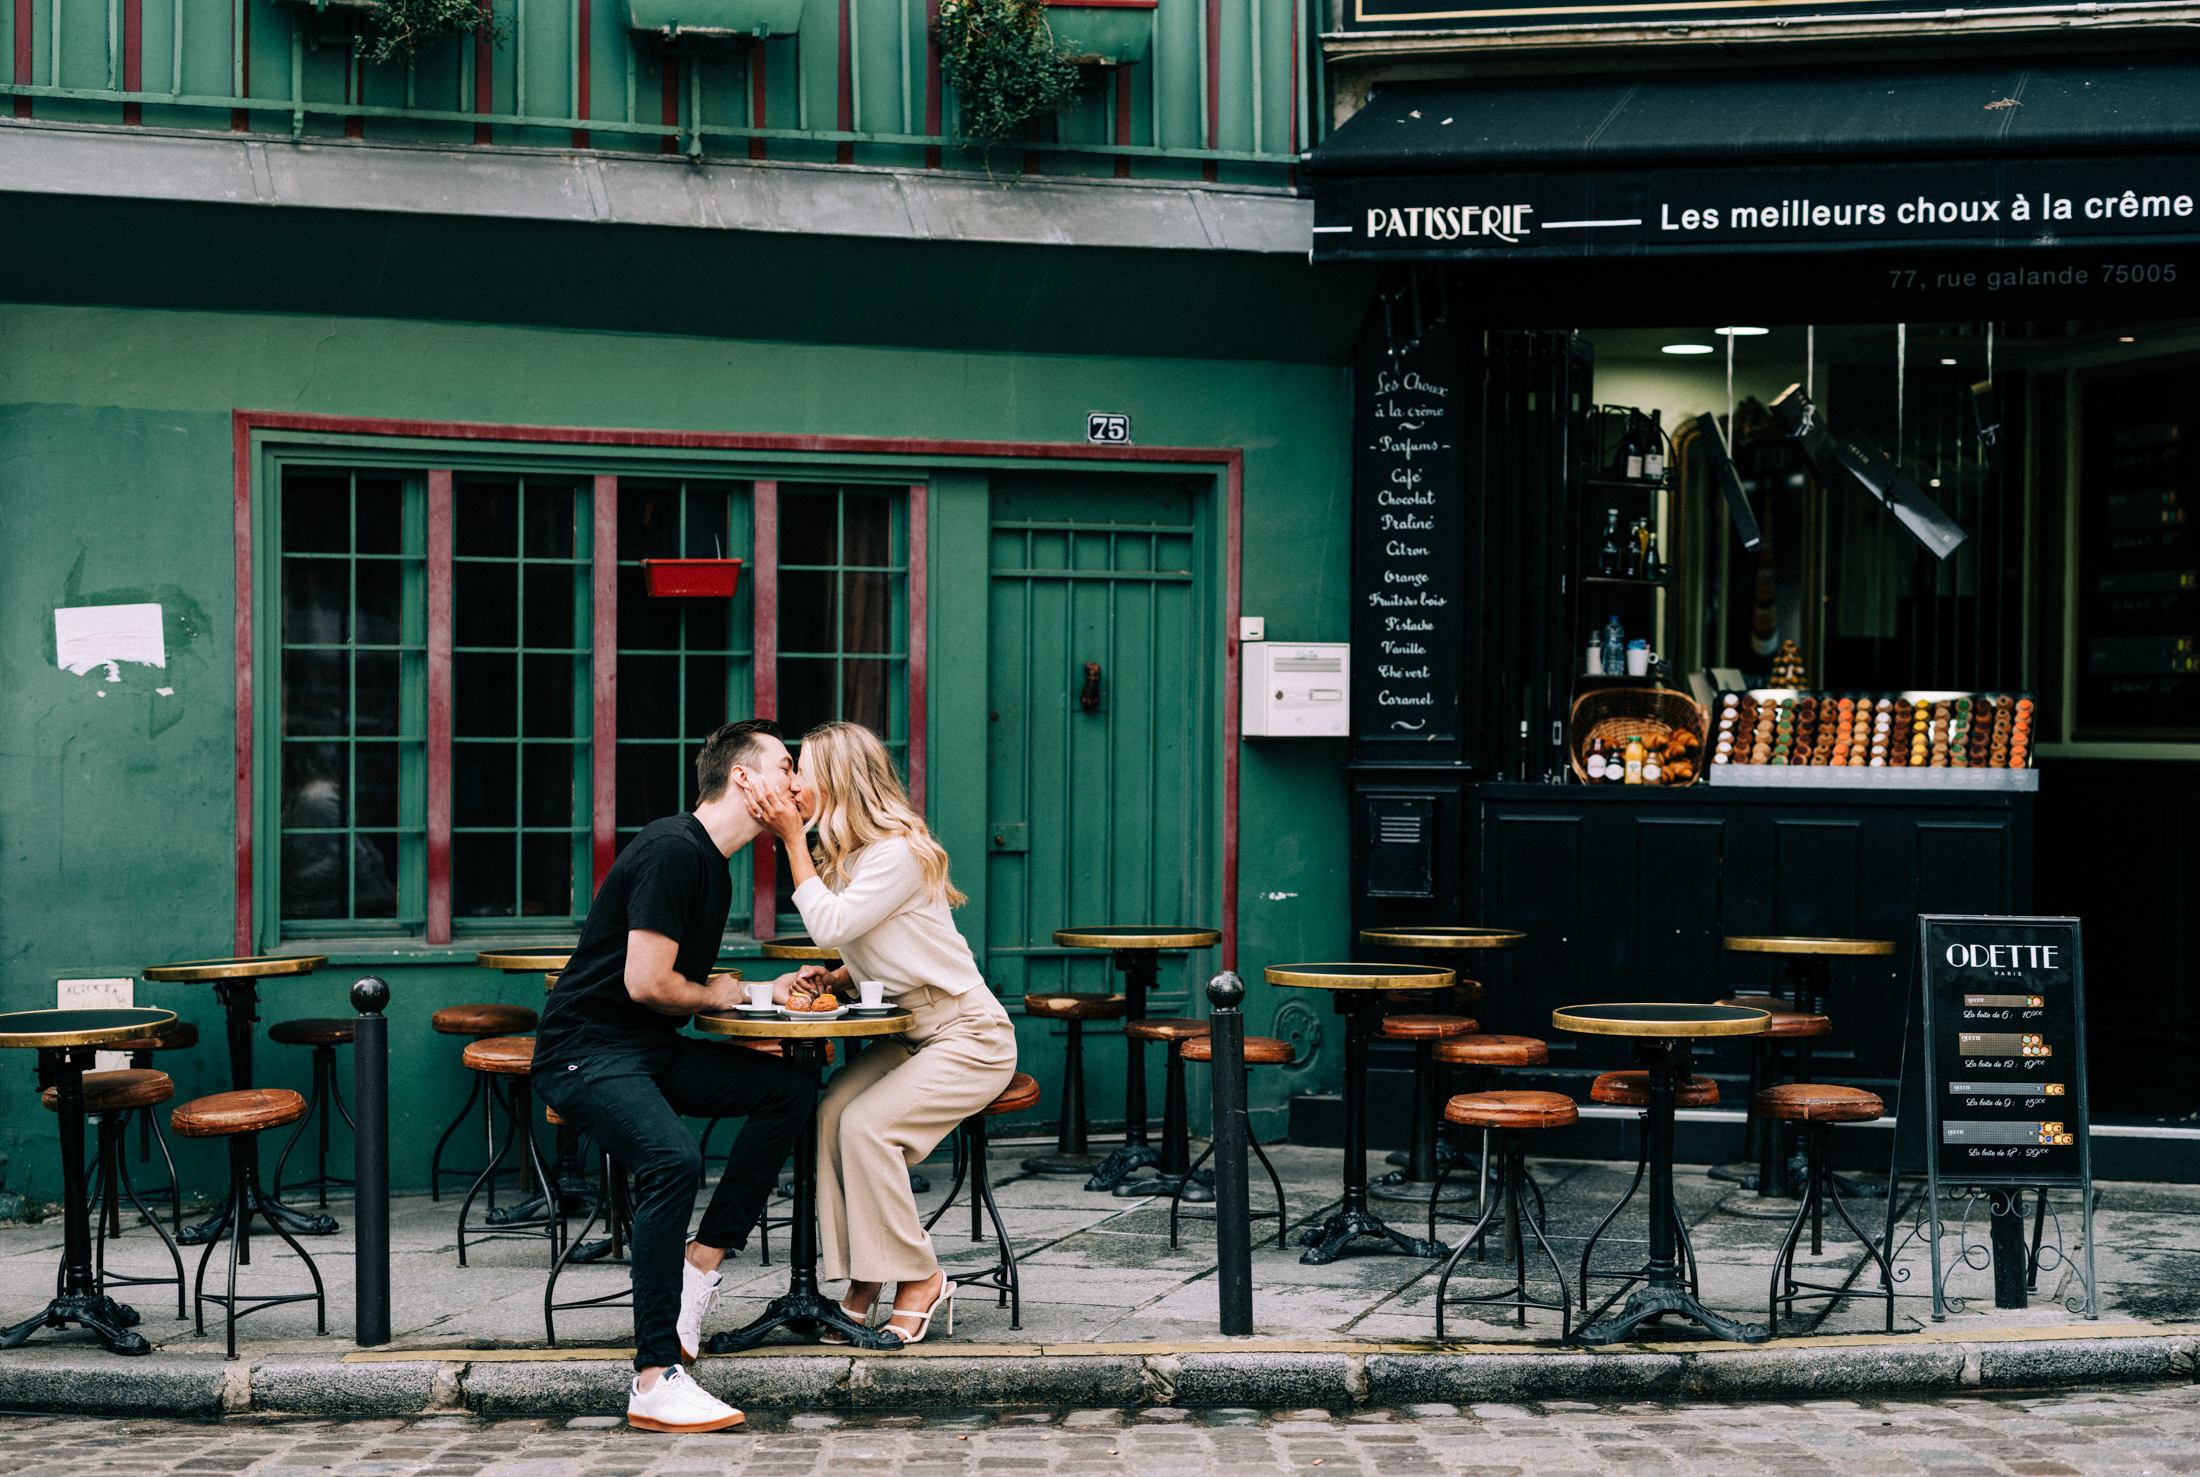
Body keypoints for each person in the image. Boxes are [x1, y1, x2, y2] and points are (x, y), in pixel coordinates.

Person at [532, 718, 816, 1433]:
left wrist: (756, 992)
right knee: (672, 1159)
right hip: (586, 1052)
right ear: (745, 778)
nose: (798, 780)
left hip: (645, 1050)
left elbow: (695, 986)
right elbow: (649, 982)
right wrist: (721, 993)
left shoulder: (710, 864)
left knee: (786, 1088)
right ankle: (655, 1375)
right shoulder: (671, 849)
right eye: (786, 765)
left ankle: (701, 1262)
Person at [742, 721, 1017, 1346]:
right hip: (914, 1031)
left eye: (800, 770)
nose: (792, 783)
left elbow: (831, 921)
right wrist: (839, 976)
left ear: (836, 780)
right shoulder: (851, 856)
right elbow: (881, 938)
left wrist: (788, 840)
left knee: (869, 1126)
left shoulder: (895, 850)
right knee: (833, 1111)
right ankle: (866, 1279)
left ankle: (918, 1277)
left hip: (969, 1035)